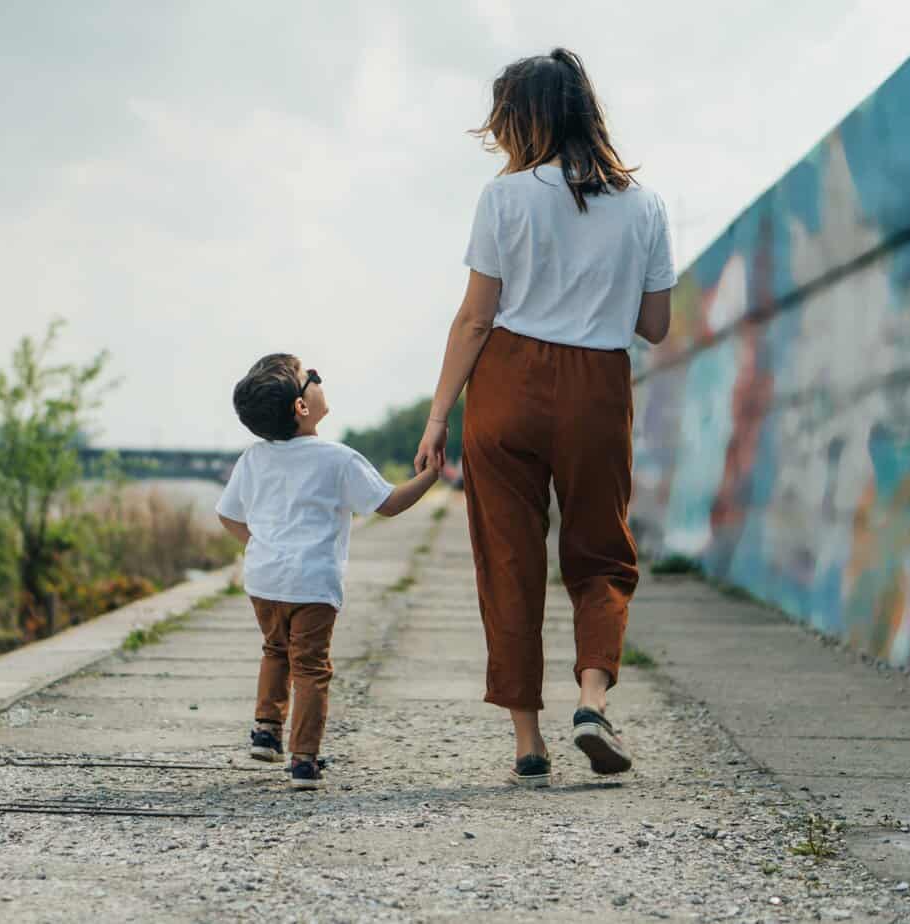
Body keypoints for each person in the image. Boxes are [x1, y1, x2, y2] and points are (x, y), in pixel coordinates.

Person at [414, 48, 677, 787]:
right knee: (601, 554)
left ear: (523, 119)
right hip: (597, 385)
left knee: (509, 561)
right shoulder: (646, 204)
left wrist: (439, 417)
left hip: (506, 386)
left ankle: (528, 741)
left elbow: (475, 319)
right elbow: (655, 326)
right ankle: (593, 700)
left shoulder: (504, 198)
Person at [217, 354, 441, 789]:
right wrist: (430, 477)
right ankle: (304, 759)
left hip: (263, 580)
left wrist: (262, 545)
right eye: (312, 378)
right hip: (312, 584)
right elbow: (389, 504)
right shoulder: (337, 459)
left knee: (275, 650)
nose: (319, 380)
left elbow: (228, 516)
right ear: (302, 407)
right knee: (311, 668)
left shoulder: (252, 459)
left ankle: (266, 729)